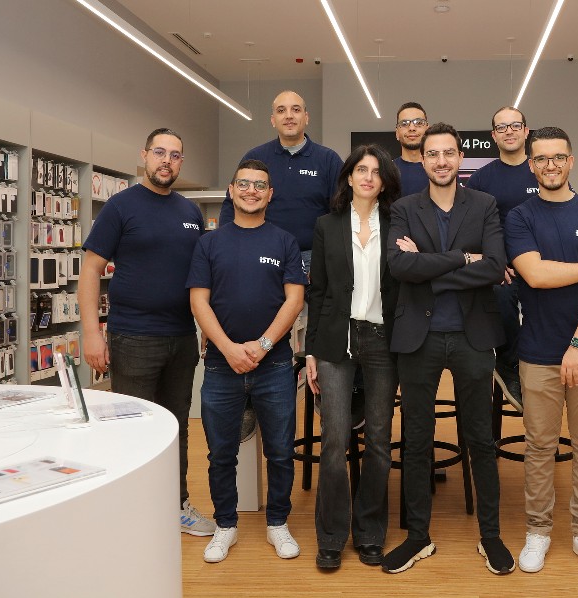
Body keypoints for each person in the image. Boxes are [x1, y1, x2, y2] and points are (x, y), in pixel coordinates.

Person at [382, 122, 514, 575]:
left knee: (480, 437)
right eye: (432, 154)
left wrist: (428, 267)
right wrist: (462, 258)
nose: (441, 161)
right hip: (416, 338)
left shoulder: (485, 204)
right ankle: (418, 537)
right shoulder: (402, 207)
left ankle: (490, 536)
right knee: (416, 440)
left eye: (449, 153)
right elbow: (399, 266)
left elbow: (495, 267)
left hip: (472, 336)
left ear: (461, 159)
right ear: (422, 160)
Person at [79, 127, 214, 537]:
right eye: (160, 152)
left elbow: (203, 277)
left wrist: (208, 325)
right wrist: (91, 332)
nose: (166, 161)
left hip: (181, 336)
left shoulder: (190, 213)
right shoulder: (121, 207)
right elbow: (89, 271)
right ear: (145, 156)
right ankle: (132, 510)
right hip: (133, 337)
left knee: (176, 426)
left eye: (175, 154)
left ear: (181, 163)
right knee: (133, 426)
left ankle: (176, 505)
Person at [505, 126, 578, 575]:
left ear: (571, 161)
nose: (550, 165)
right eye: (541, 159)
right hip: (537, 352)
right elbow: (535, 275)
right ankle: (538, 531)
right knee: (539, 446)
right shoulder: (520, 217)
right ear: (532, 165)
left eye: (558, 157)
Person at [187, 159, 307, 563]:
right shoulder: (209, 243)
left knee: (279, 451)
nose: (252, 190)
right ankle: (226, 526)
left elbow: (295, 298)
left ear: (270, 194)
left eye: (260, 185)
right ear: (232, 190)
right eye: (244, 184)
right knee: (221, 453)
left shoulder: (284, 241)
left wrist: (263, 344)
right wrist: (227, 348)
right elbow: (198, 300)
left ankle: (277, 524)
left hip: (273, 365)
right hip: (221, 366)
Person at [304, 145, 401, 570]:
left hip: (383, 339)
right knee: (335, 440)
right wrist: (310, 349)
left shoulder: (399, 223)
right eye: (361, 169)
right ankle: (330, 536)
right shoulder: (327, 225)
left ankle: (370, 533)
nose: (368, 177)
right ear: (348, 177)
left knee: (379, 441)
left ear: (384, 181)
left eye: (376, 172)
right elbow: (319, 291)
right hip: (335, 340)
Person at [219, 90, 342, 271]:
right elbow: (232, 205)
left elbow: (341, 211)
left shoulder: (328, 160)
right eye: (281, 110)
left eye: (296, 110)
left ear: (306, 117)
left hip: (314, 259)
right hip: (263, 254)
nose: (289, 116)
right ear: (273, 119)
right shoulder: (256, 157)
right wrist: (230, 245)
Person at [465, 106, 536, 409]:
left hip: (541, 265)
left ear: (526, 131)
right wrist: (493, 262)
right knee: (500, 299)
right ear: (494, 135)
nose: (509, 131)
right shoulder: (481, 179)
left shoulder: (541, 169)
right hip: (502, 267)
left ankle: (540, 371)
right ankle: (509, 367)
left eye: (515, 125)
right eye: (502, 127)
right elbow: (467, 226)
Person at [393, 102, 431, 197]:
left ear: (428, 130)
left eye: (418, 123)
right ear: (397, 133)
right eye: (404, 124)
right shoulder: (387, 172)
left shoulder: (441, 170)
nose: (412, 128)